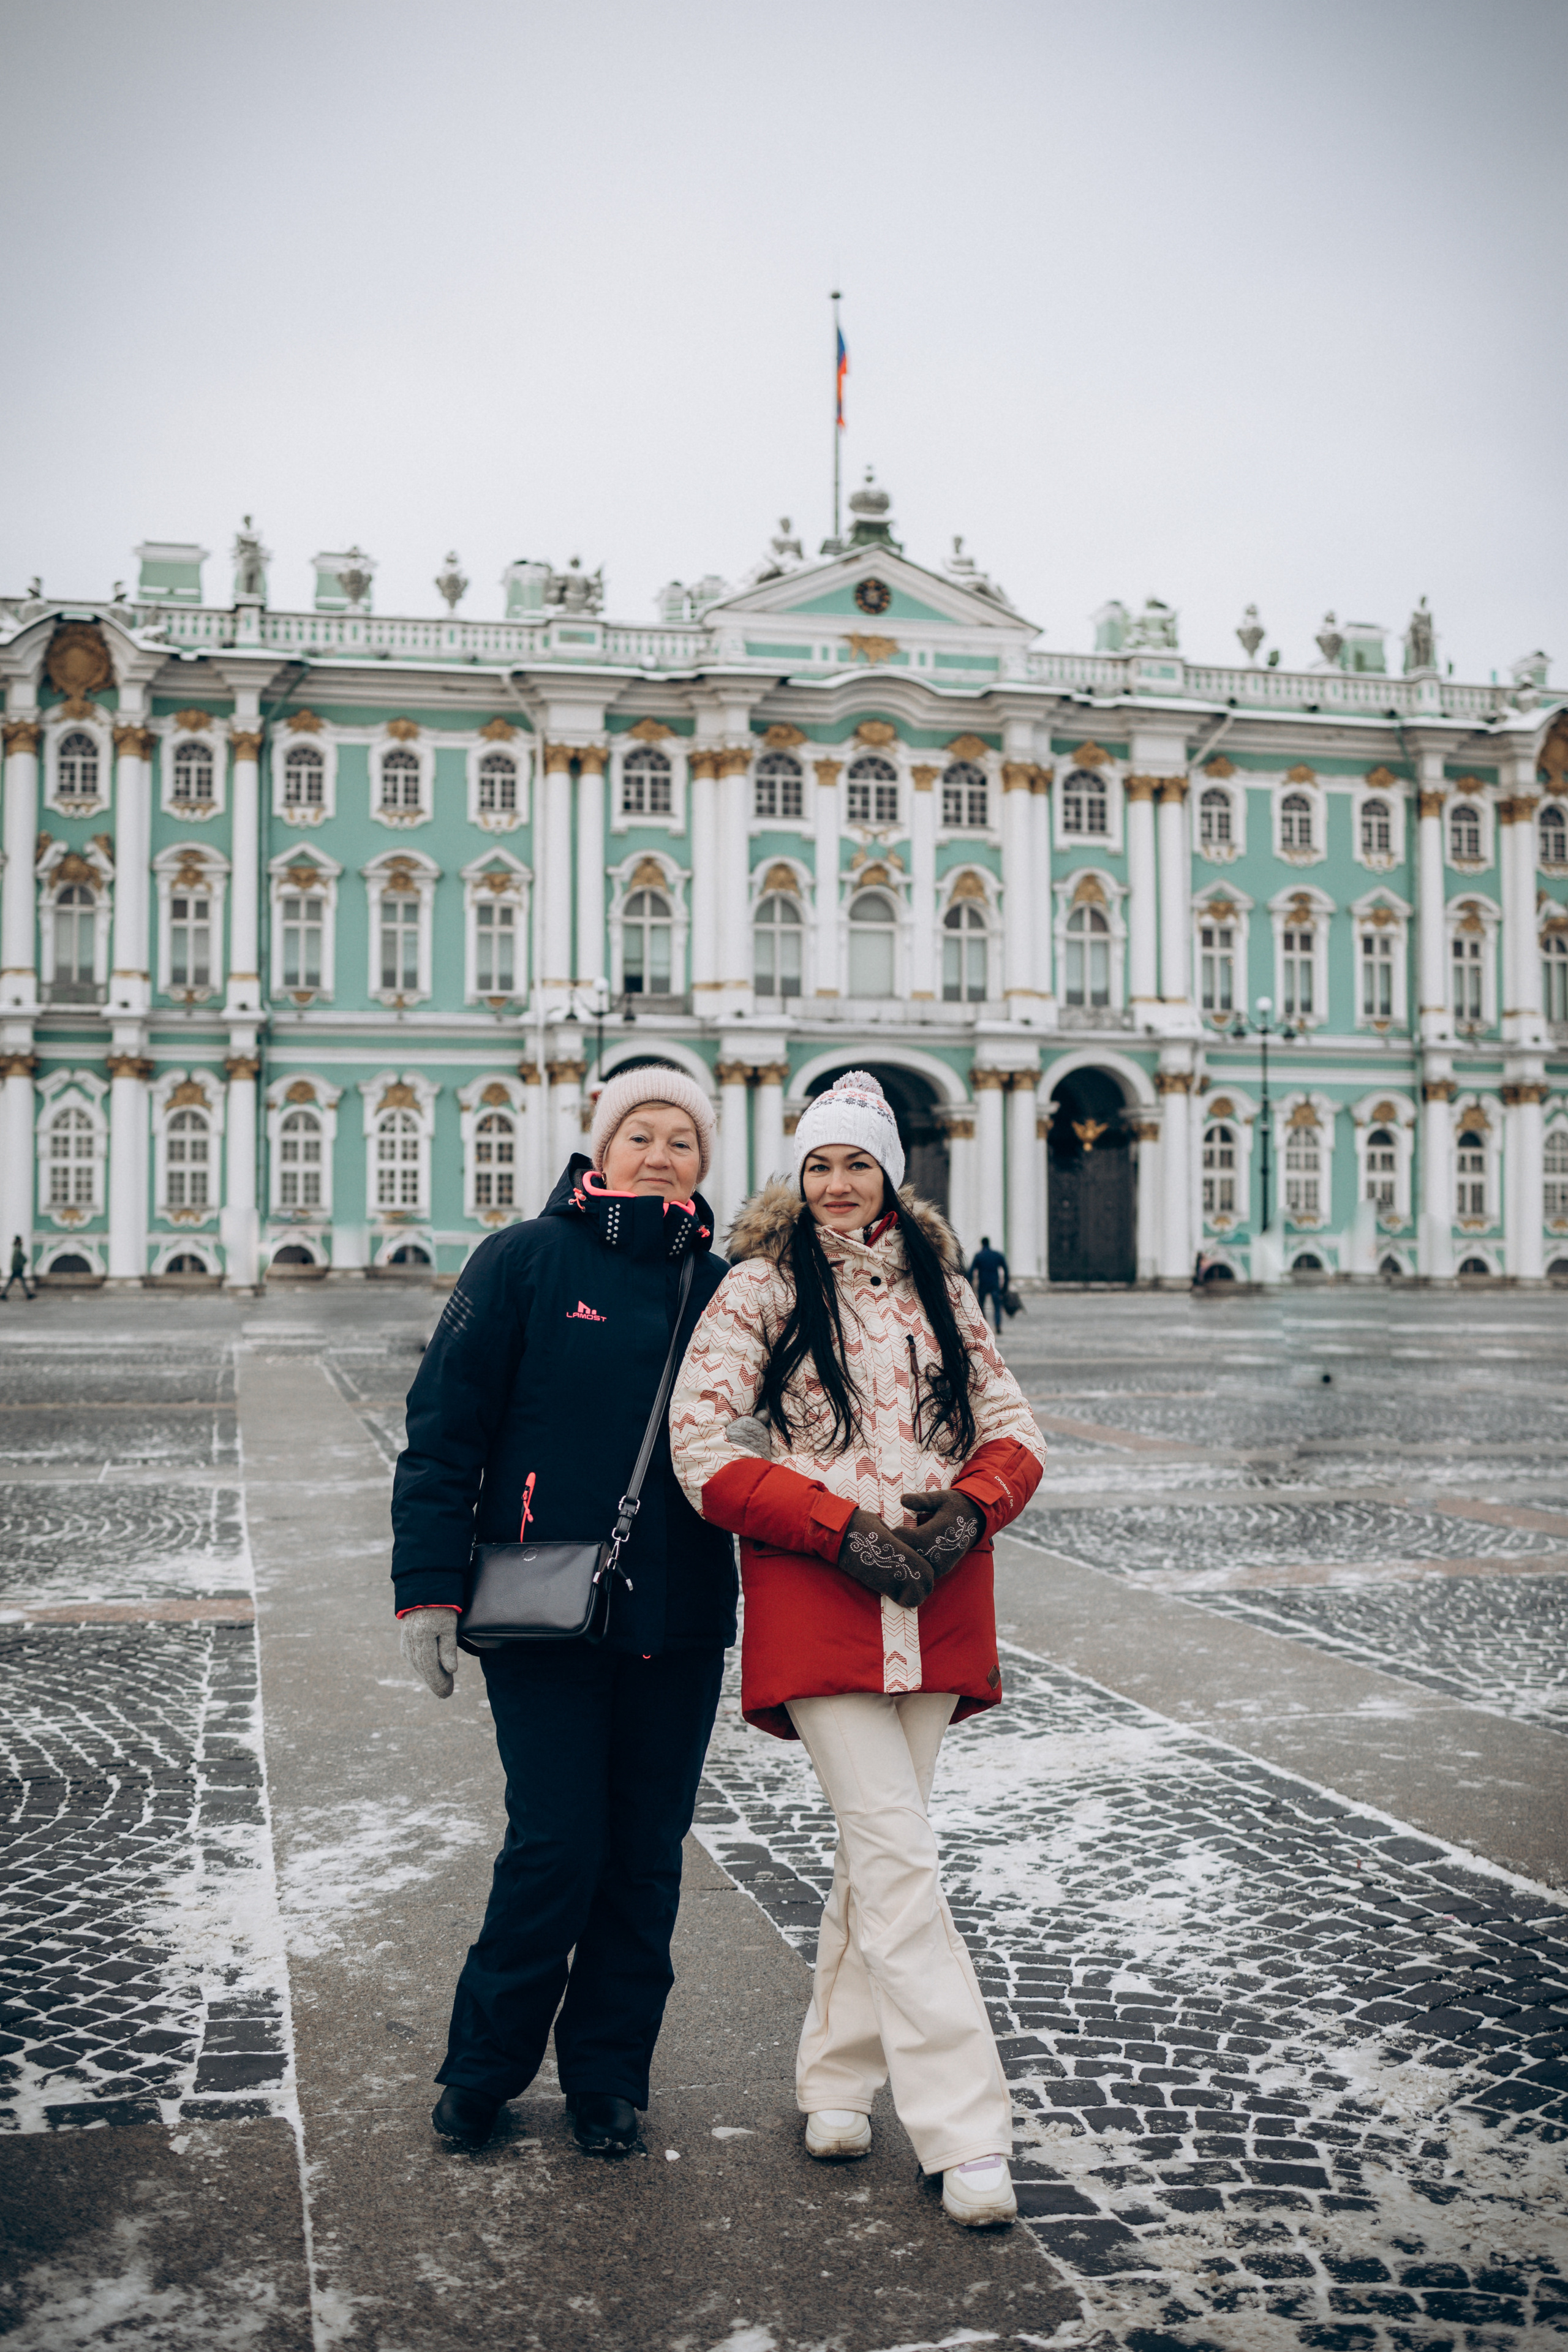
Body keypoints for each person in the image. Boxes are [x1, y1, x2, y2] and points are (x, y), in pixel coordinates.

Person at [669, 1072, 1046, 2228]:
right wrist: (840, 1529)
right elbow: (699, 1447)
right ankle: (967, 2128)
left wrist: (967, 1513)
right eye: (820, 1163)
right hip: (822, 1600)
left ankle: (836, 2080)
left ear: (890, 1175)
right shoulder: (760, 1289)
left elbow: (1016, 1430)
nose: (838, 1184)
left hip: (934, 1599)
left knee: (876, 1855)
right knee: (898, 1858)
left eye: (858, 1164)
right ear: (798, 1174)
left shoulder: (940, 1286)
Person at [392, 1065, 737, 2157]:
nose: (661, 1153)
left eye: (683, 1140)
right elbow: (446, 1429)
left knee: (645, 1854)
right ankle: (484, 2068)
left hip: (676, 1617)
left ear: (702, 1167)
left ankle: (607, 2078)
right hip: (543, 1607)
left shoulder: (722, 1288)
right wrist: (428, 1591)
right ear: (599, 1148)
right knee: (554, 1844)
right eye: (641, 1132)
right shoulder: (524, 1261)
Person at [967, 1235, 1008, 1333]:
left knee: (982, 1306)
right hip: (995, 1284)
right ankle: (998, 1325)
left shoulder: (979, 1256)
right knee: (997, 1307)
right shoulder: (997, 1255)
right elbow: (1006, 1270)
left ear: (982, 1244)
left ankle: (985, 1327)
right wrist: (1005, 1286)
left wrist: (970, 1286)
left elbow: (971, 1272)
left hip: (983, 1284)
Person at [2, 1237, 34, 1301]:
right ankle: (28, 1294)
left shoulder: (16, 1250)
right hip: (18, 1269)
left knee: (14, 1282)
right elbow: (24, 1259)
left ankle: (4, 1294)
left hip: (16, 1269)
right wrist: (21, 1265)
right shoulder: (18, 1250)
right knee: (21, 1282)